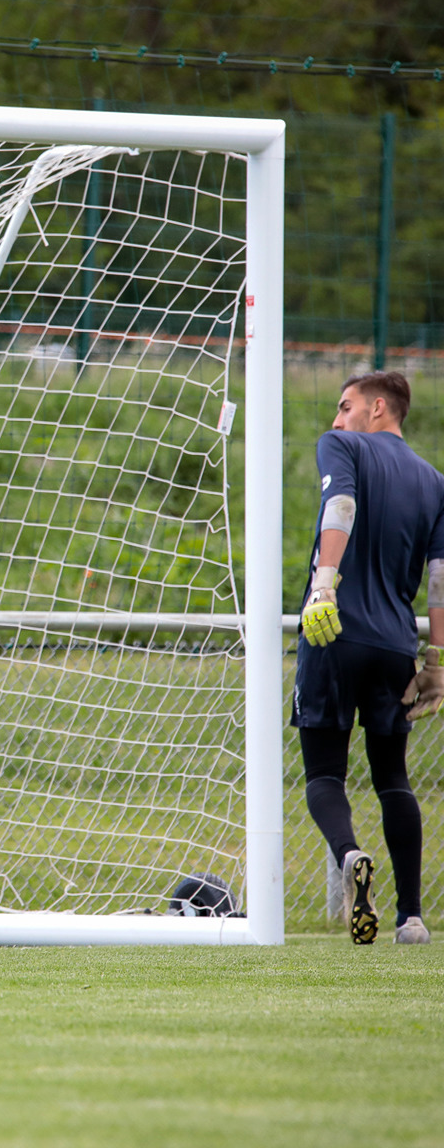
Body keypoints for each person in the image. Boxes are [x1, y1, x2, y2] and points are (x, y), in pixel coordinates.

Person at [293, 370, 439, 946]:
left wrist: (324, 583)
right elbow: (441, 578)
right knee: (394, 779)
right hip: (397, 645)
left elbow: (341, 503)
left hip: (333, 633)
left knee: (324, 774)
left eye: (344, 404)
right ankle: (412, 918)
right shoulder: (434, 481)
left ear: (378, 408)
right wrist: (439, 663)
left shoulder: (343, 446)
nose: (336, 418)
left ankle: (352, 854)